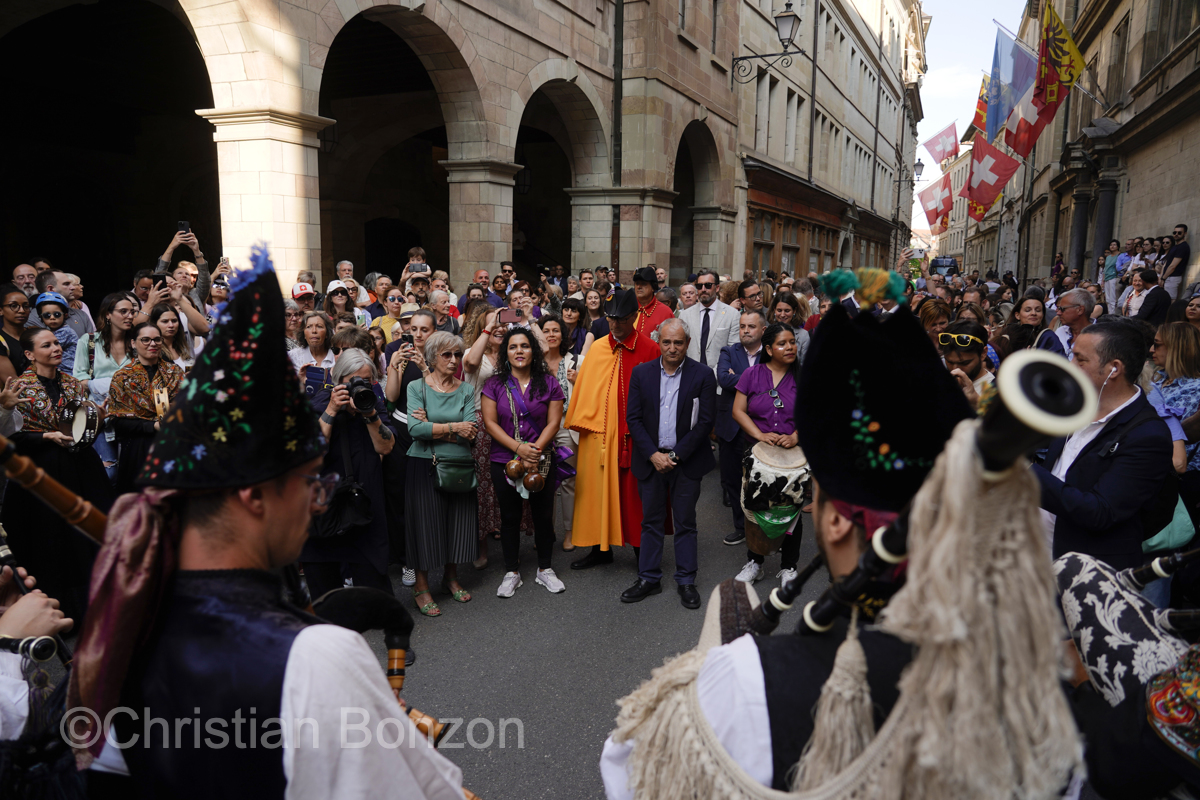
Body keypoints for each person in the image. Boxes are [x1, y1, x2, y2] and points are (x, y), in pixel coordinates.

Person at [65, 248, 464, 796]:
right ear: (254, 498)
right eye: (306, 482)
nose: (316, 499)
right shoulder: (318, 656)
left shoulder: (120, 635)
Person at [601, 300, 989, 800]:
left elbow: (630, 770)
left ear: (834, 522)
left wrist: (716, 658)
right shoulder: (989, 679)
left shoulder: (747, 678)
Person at [1034, 321, 1173, 568]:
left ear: (1114, 369)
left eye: (1080, 360)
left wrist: (1025, 472)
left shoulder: (1148, 435)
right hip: (1036, 558)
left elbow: (1100, 511)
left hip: (1086, 574)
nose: (1070, 366)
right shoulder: (1074, 406)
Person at [2, 328, 113, 622]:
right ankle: (54, 611)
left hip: (81, 468)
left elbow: (81, 431)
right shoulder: (19, 388)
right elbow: (10, 437)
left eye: (56, 343)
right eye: (47, 345)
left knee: (87, 534)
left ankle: (98, 606)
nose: (56, 348)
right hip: (41, 471)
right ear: (29, 354)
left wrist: (98, 421)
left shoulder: (73, 383)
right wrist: (43, 436)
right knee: (50, 540)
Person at [565, 290, 660, 569]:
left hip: (634, 437)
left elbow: (658, 398)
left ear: (634, 317)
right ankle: (600, 549)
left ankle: (642, 555)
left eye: (622, 319)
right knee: (595, 494)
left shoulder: (650, 349)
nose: (615, 325)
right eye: (611, 319)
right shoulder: (597, 348)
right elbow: (585, 391)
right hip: (598, 436)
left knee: (634, 497)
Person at [623, 318, 715, 608]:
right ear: (658, 342)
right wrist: (653, 454)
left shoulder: (703, 374)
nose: (672, 348)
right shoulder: (641, 373)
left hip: (686, 462)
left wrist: (675, 456)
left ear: (687, 343)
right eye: (666, 342)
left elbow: (705, 422)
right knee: (650, 521)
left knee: (685, 522)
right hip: (651, 460)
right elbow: (633, 419)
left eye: (678, 342)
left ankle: (686, 580)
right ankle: (648, 578)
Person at [301, 347, 396, 599]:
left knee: (375, 592)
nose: (359, 386)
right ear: (338, 380)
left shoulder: (372, 404)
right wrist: (332, 409)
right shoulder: (318, 403)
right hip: (325, 508)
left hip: (364, 505)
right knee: (325, 595)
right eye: (353, 381)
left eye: (366, 381)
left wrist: (369, 413)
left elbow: (386, 446)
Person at [480, 328, 567, 597]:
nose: (519, 351)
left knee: (543, 516)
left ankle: (545, 569)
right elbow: (490, 423)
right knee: (509, 517)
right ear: (505, 353)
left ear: (533, 351)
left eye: (525, 346)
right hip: (503, 458)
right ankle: (511, 572)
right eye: (513, 346)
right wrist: (519, 448)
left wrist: (534, 452)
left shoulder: (549, 382)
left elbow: (554, 422)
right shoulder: (494, 385)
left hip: (541, 458)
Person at [404, 331, 477, 616]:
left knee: (457, 523)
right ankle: (421, 587)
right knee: (425, 526)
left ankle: (451, 577)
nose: (454, 360)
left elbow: (471, 432)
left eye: (457, 354)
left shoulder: (466, 389)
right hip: (424, 463)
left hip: (459, 464)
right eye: (447, 354)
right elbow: (414, 430)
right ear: (432, 358)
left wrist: (433, 427)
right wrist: (454, 427)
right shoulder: (416, 387)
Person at [730, 323, 804, 586]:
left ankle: (789, 567)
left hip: (792, 458)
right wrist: (760, 435)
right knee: (757, 508)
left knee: (790, 511)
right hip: (757, 455)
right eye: (782, 344)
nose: (790, 347)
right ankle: (755, 563)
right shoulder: (752, 374)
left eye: (792, 342)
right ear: (769, 349)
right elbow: (738, 411)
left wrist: (795, 436)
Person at [107, 322, 185, 495]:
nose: (152, 344)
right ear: (133, 343)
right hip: (138, 447)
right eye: (146, 340)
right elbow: (117, 422)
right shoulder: (122, 377)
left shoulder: (175, 372)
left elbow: (187, 408)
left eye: (157, 339)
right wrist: (152, 426)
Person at [715, 309, 766, 548]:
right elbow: (724, 379)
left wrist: (741, 377)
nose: (745, 331)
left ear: (763, 330)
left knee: (761, 481)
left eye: (751, 326)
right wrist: (758, 379)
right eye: (743, 326)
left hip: (762, 428)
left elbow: (776, 381)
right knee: (733, 481)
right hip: (731, 428)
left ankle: (765, 529)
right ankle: (741, 527)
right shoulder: (728, 351)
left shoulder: (771, 353)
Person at [74, 292, 137, 478]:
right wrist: (115, 384)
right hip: (100, 416)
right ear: (108, 314)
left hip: (133, 415)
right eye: (123, 311)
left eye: (132, 312)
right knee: (110, 473)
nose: (130, 316)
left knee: (132, 471)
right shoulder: (89, 341)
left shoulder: (136, 342)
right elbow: (79, 380)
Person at [462, 308, 508, 557]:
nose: (500, 327)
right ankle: (480, 544)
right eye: (494, 324)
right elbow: (470, 364)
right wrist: (490, 327)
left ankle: (500, 527)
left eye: (504, 324)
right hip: (480, 421)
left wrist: (526, 318)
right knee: (481, 482)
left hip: (507, 422)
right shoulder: (473, 352)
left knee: (505, 477)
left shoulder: (512, 352)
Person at [536, 315, 578, 551]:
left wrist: (578, 381)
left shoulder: (575, 361)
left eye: (555, 330)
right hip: (538, 427)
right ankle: (546, 531)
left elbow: (590, 393)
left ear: (563, 335)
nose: (551, 335)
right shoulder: (533, 362)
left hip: (566, 425)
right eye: (546, 330)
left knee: (568, 481)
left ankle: (570, 532)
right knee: (542, 480)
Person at [679, 269, 739, 370]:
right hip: (691, 374)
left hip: (719, 374)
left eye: (708, 285)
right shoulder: (685, 316)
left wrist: (713, 374)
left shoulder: (732, 315)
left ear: (717, 288)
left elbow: (733, 350)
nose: (703, 289)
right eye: (699, 286)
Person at [940, 319, 993, 411]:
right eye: (949, 362)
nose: (955, 369)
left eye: (964, 363)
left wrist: (976, 403)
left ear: (983, 353)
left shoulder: (997, 391)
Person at [33, 291, 78, 374]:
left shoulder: (65, 332)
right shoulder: (51, 332)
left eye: (57, 314)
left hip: (68, 372)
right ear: (41, 317)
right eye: (47, 315)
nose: (52, 318)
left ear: (65, 315)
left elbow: (45, 347)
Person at [147, 303, 195, 370]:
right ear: (155, 324)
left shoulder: (182, 347)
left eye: (174, 321)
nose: (171, 325)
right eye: (165, 321)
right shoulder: (153, 351)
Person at [1053, 287, 1097, 358]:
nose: (1058, 313)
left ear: (1080, 310)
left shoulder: (1099, 336)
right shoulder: (1060, 331)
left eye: (1062, 309)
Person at [1163, 223, 1190, 299]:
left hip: (1173, 277)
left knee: (1170, 299)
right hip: (1167, 277)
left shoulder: (1183, 247)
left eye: (1179, 233)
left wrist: (1163, 278)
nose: (1176, 234)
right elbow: (1167, 263)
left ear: (1185, 233)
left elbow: (1173, 266)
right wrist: (1162, 277)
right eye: (1175, 232)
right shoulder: (1174, 247)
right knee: (1165, 299)